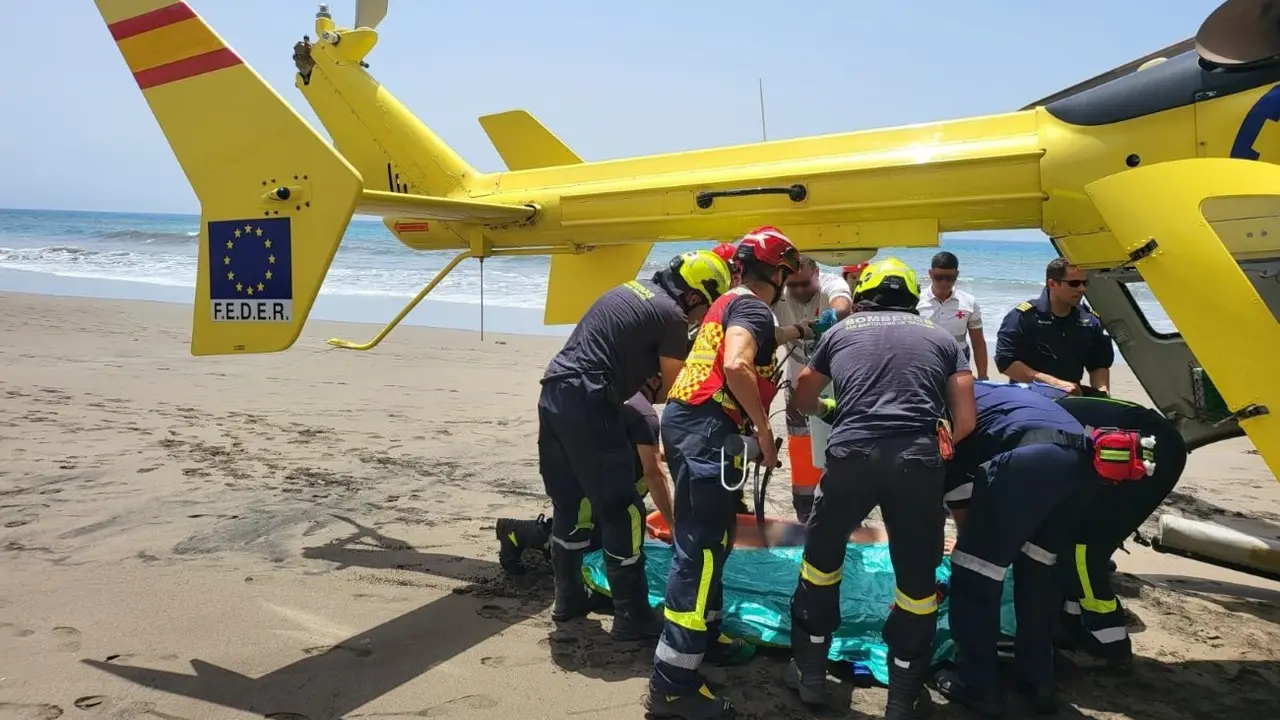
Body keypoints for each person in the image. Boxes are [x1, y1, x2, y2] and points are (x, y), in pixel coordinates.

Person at [785, 257, 976, 719]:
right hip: (916, 463)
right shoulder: (939, 337)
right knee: (916, 580)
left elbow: (803, 397)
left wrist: (833, 411)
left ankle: (812, 674)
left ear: (864, 292)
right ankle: (902, 693)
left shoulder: (840, 332)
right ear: (913, 296)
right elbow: (966, 420)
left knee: (822, 562)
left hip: (852, 458)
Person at [645, 225, 801, 720]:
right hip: (710, 429)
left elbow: (742, 350)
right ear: (777, 273)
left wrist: (796, 334)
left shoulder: (728, 303)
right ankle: (673, 683)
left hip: (692, 422)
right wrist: (764, 431)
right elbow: (736, 365)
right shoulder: (754, 307)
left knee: (715, 539)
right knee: (702, 552)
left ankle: (706, 637)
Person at [538, 249, 732, 641]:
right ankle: (633, 615)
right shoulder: (672, 316)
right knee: (622, 509)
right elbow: (679, 388)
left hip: (554, 391)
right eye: (703, 309)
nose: (699, 318)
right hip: (591, 399)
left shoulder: (631, 289)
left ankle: (568, 598)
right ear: (695, 297)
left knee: (571, 502)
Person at [935, 381, 1101, 716]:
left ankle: (977, 685)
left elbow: (956, 491)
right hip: (1083, 462)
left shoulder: (940, 406)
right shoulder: (991, 391)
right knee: (1039, 565)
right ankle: (1038, 681)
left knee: (973, 572)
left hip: (1031, 460)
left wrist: (975, 547)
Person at [1010, 382, 1188, 668]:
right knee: (1064, 538)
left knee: (1083, 548)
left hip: (1147, 452)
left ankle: (1109, 644)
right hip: (1132, 441)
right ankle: (1072, 625)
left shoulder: (1017, 428)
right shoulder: (1020, 408)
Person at [497, 385, 676, 575]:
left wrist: (667, 455)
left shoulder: (625, 401)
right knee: (581, 544)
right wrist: (673, 524)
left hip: (594, 482)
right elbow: (653, 473)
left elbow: (643, 450)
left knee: (597, 537)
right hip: (596, 487)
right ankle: (516, 532)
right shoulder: (642, 414)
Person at [772, 255, 854, 522]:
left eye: (805, 284)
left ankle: (841, 501)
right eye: (792, 285)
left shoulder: (832, 284)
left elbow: (843, 303)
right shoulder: (780, 295)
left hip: (834, 384)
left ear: (817, 273)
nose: (798, 291)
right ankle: (804, 504)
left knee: (838, 443)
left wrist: (834, 316)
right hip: (797, 381)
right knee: (799, 442)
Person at [995, 258, 1114, 397]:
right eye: (1074, 283)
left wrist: (1102, 394)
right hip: (1028, 397)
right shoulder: (1023, 317)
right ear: (1052, 284)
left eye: (1084, 283)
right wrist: (1054, 384)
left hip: (1072, 397)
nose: (1082, 289)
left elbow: (1098, 364)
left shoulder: (1089, 320)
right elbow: (1005, 362)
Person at [917, 251, 989, 380]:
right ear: (930, 273)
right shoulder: (916, 302)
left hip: (958, 362)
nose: (944, 282)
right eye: (939, 277)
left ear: (957, 274)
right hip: (925, 361)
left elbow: (978, 343)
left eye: (950, 278)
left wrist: (983, 376)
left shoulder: (969, 303)